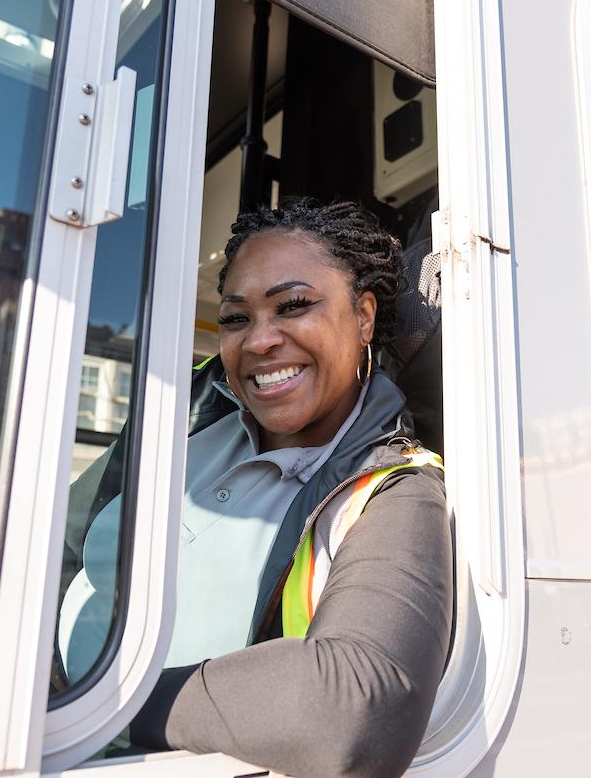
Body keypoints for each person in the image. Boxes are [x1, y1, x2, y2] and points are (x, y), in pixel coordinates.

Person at [66, 198, 451, 778]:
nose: (259, 341)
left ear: (364, 316)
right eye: (236, 318)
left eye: (294, 305)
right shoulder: (188, 415)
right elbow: (62, 549)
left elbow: (355, 713)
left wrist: (92, 702)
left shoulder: (394, 490)